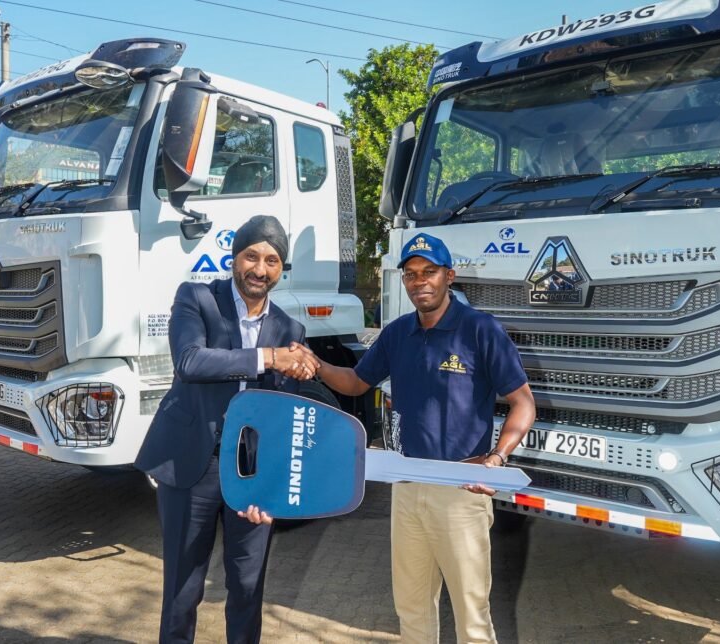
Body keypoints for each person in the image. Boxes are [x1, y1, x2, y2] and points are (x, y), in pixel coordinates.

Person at [247, 232, 536, 643]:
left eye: (430, 272)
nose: (420, 281)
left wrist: (497, 458)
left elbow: (523, 403)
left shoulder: (480, 330)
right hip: (405, 486)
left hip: (460, 488)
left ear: (449, 276)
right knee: (412, 609)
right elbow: (356, 382)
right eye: (411, 274)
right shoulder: (398, 333)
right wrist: (318, 364)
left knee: (472, 617)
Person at [135, 215, 317, 644]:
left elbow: (281, 418)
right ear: (234, 258)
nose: (260, 269)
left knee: (247, 588)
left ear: (281, 268)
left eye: (272, 261)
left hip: (250, 476)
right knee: (182, 589)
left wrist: (272, 488)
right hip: (190, 465)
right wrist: (268, 358)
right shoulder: (197, 298)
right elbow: (190, 362)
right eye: (251, 256)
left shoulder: (292, 330)